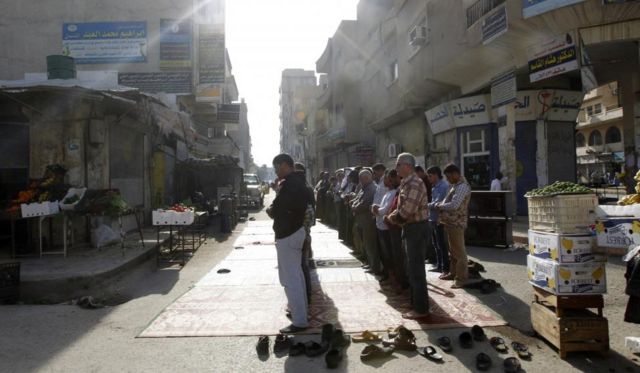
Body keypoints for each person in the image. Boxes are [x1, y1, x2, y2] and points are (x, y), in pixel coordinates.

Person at [266, 154, 310, 333]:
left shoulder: (291, 184)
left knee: (291, 279)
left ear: (285, 165)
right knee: (296, 276)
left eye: (277, 167)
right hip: (293, 232)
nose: (276, 171)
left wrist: (272, 209)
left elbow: (278, 208)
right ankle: (301, 313)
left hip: (289, 234)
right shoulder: (296, 182)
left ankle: (299, 321)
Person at [387, 153, 430, 319]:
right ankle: (416, 303)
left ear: (407, 166)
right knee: (412, 269)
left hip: (417, 229)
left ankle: (420, 309)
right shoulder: (407, 182)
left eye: (398, 165)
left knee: (416, 270)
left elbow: (406, 211)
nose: (396, 168)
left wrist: (392, 218)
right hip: (411, 228)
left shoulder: (414, 183)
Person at [435, 163, 471, 289]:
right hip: (451, 222)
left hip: (457, 222)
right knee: (453, 251)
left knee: (459, 253)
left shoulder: (462, 187)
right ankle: (453, 273)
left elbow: (454, 205)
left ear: (456, 174)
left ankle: (461, 279)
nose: (448, 180)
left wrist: (439, 206)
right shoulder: (456, 186)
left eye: (449, 177)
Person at [351, 169, 381, 275]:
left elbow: (364, 204)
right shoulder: (364, 188)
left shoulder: (371, 188)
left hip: (368, 221)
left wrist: (354, 207)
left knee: (371, 245)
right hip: (362, 221)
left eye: (361, 179)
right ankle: (370, 263)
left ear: (367, 178)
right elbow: (356, 199)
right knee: (366, 244)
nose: (360, 181)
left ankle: (375, 267)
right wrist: (353, 205)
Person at [294, 162, 315, 304]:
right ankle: (305, 294)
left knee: (302, 265)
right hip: (302, 232)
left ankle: (305, 295)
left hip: (300, 233)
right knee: (302, 264)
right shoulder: (305, 188)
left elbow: (310, 209)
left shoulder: (302, 189)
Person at [372, 170, 397, 283]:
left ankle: (392, 275)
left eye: (386, 179)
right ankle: (387, 273)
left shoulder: (393, 193)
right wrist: (376, 208)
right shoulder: (387, 192)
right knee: (383, 252)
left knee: (388, 253)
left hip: (386, 227)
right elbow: (381, 207)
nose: (384, 181)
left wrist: (377, 210)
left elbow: (385, 209)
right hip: (380, 225)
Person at [426, 166, 450, 276]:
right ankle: (439, 265)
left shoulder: (443, 186)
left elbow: (439, 203)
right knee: (436, 244)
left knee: (442, 244)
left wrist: (427, 205)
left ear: (436, 174)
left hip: (440, 219)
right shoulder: (434, 186)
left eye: (430, 176)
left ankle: (445, 267)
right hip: (433, 218)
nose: (429, 178)